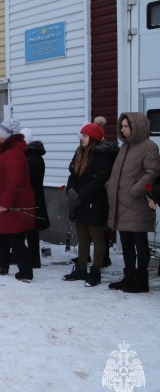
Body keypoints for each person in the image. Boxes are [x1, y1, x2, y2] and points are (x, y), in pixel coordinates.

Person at [105, 112, 160, 293]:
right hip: (122, 202)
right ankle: (128, 277)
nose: (122, 129)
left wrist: (136, 190)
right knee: (126, 241)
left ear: (136, 127)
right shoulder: (125, 147)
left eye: (126, 126)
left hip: (137, 203)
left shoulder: (149, 147)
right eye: (122, 126)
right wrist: (110, 186)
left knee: (140, 242)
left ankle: (141, 280)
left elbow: (152, 174)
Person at [63, 121, 118, 287]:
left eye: (85, 136)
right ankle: (81, 269)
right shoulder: (80, 152)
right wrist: (71, 190)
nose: (82, 139)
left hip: (95, 202)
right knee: (82, 237)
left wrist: (80, 195)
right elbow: (72, 174)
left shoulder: (101, 155)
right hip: (79, 201)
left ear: (93, 138)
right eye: (82, 135)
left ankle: (95, 272)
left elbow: (98, 181)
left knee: (97, 237)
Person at [0, 119, 36, 282]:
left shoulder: (13, 153)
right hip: (4, 201)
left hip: (13, 203)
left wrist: (5, 203)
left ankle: (26, 271)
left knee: (15, 238)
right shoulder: (4, 151)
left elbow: (14, 182)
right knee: (3, 236)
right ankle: (1, 265)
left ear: (7, 137)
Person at [20, 127, 50, 269]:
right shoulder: (30, 156)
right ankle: (29, 257)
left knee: (32, 230)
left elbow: (29, 179)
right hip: (32, 197)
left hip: (33, 198)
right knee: (29, 230)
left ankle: (33, 259)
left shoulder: (33, 158)